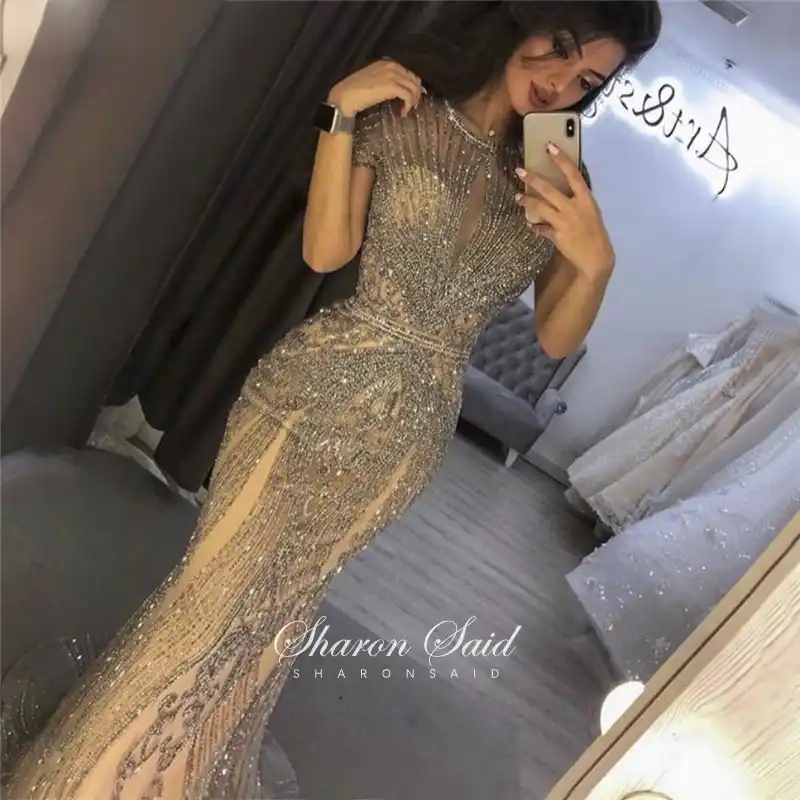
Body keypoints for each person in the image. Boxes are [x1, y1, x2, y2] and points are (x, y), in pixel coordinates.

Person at [6, 2, 661, 797]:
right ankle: (95, 772)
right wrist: (340, 112)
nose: (560, 83)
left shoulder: (553, 175)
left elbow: (555, 337)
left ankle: (175, 767)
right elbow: (326, 250)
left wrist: (595, 264)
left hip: (407, 434)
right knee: (209, 595)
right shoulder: (406, 111)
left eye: (587, 79)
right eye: (558, 48)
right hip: (311, 390)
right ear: (521, 15)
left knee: (275, 614)